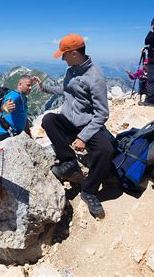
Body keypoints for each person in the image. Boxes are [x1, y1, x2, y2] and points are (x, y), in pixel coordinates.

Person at [32, 33, 114, 217]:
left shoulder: (95, 77)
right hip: (69, 120)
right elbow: (66, 90)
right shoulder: (72, 70)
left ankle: (89, 190)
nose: (62, 58)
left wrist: (83, 137)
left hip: (87, 125)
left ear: (75, 53)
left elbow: (102, 113)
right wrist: (44, 88)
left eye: (64, 54)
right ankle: (69, 161)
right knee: (48, 120)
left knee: (106, 150)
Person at [0, 74, 35, 141]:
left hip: (14, 133)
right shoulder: (14, 96)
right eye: (28, 85)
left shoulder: (23, 97)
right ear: (20, 84)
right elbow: (4, 107)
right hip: (7, 134)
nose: (30, 88)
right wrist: (5, 107)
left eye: (31, 85)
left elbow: (24, 118)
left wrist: (29, 135)